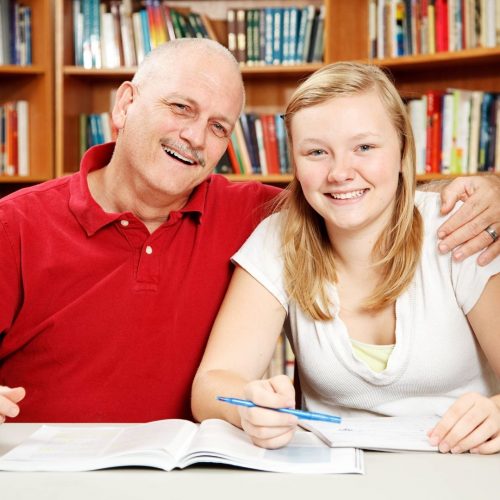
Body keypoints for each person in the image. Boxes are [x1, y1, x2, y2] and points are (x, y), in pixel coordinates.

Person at [0, 40, 499, 424]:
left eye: (219, 126)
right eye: (181, 108)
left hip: (186, 468)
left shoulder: (258, 213)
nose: (195, 136)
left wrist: (492, 188)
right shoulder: (15, 224)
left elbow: (363, 196)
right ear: (127, 102)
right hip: (38, 468)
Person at [191, 62, 500, 455]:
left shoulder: (461, 228)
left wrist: (496, 413)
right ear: (296, 163)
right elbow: (212, 384)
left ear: (403, 149)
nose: (340, 172)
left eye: (365, 148)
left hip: (463, 470)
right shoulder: (278, 239)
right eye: (317, 152)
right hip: (333, 474)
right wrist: (250, 406)